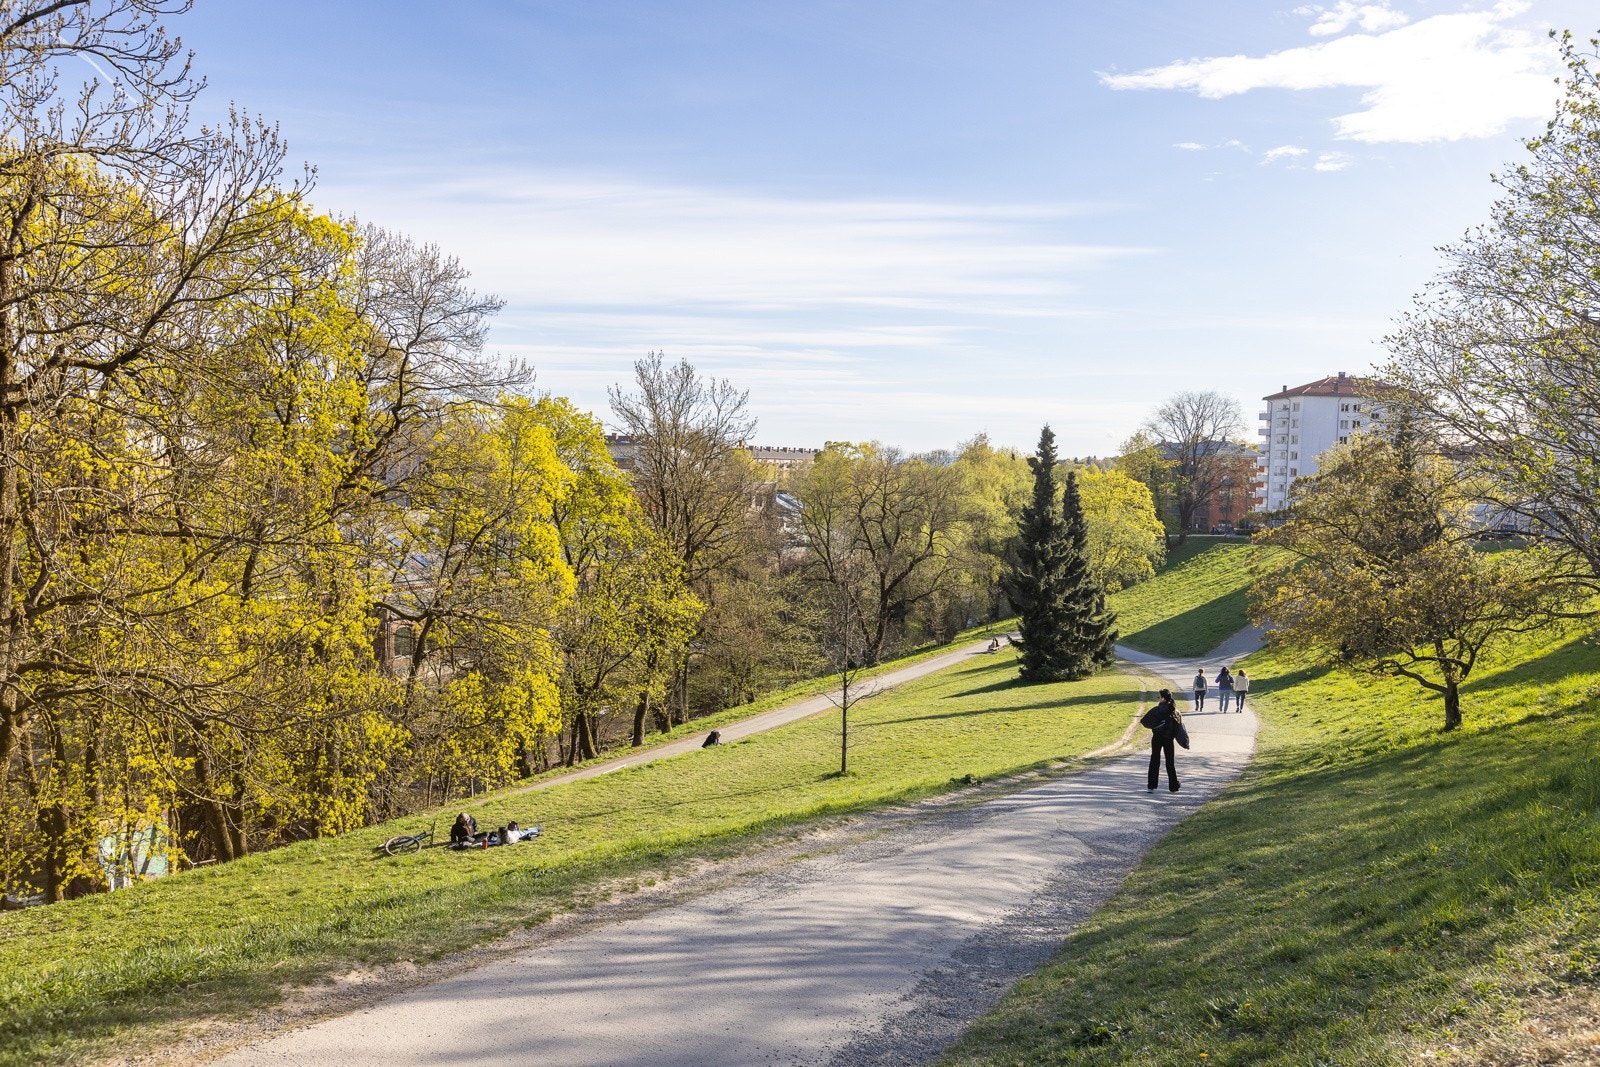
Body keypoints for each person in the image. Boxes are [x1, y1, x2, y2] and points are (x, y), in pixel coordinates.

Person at [1140, 689, 1181, 793]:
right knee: (1170, 762)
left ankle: (1151, 786)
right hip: (1169, 739)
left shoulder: (1157, 710)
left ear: (1163, 698)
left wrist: (1155, 726)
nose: (1158, 698)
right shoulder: (1174, 710)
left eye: (1159, 697)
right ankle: (1174, 786)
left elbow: (1144, 721)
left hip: (1157, 737)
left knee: (1154, 760)